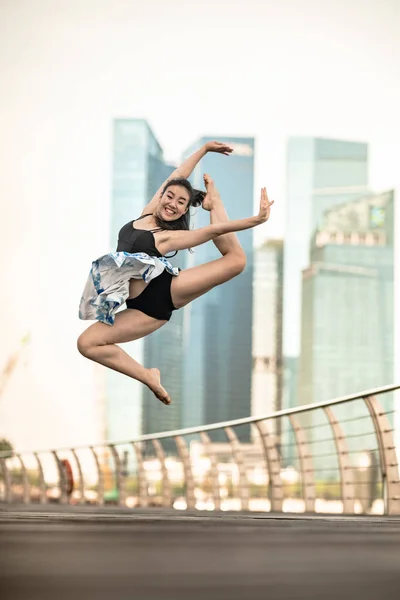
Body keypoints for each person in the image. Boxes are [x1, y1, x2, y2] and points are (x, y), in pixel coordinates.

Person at [77, 141, 274, 405]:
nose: (173, 203)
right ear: (161, 196)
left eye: (182, 203)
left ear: (184, 210)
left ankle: (214, 204)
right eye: (169, 196)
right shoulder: (145, 215)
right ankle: (148, 375)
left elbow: (211, 232)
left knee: (237, 260)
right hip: (135, 305)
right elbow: (176, 177)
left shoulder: (167, 237)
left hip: (160, 298)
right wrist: (203, 150)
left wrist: (256, 220)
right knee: (86, 343)